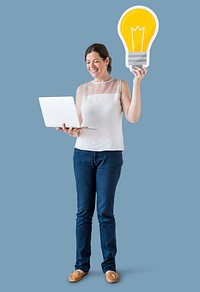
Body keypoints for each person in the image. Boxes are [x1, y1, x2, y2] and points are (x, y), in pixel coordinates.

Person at [56, 43, 147, 283]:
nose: (91, 66)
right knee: (83, 212)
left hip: (110, 155)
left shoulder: (120, 85)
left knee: (105, 212)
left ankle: (109, 266)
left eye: (95, 61)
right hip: (82, 154)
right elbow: (78, 126)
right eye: (87, 62)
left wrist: (137, 83)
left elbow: (133, 117)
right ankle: (81, 265)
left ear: (107, 60)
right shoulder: (82, 89)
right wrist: (69, 130)